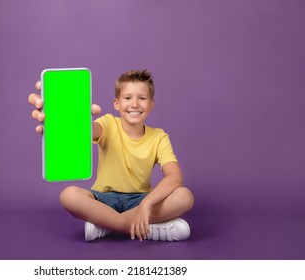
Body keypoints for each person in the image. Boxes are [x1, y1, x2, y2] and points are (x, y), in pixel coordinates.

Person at [28, 69, 194, 242]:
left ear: (151, 104)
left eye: (142, 98)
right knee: (69, 195)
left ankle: (107, 225)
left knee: (184, 196)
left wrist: (146, 204)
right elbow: (88, 131)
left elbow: (175, 177)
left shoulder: (159, 136)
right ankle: (143, 229)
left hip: (140, 199)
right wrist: (67, 117)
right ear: (116, 103)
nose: (135, 104)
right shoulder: (108, 123)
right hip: (103, 200)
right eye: (128, 98)